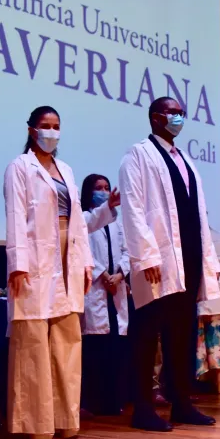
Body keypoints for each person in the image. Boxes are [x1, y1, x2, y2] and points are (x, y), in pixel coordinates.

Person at [118, 96, 220, 432]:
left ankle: (181, 403)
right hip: (156, 261)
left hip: (187, 259)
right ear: (155, 117)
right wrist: (146, 255)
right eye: (172, 113)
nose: (179, 118)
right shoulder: (138, 155)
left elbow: (197, 213)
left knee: (181, 334)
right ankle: (143, 409)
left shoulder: (185, 159)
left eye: (181, 113)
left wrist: (207, 259)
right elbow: (133, 208)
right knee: (147, 334)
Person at [4, 105, 93, 439]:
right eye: (45, 125)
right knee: (33, 339)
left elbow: (79, 219)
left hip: (68, 253)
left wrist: (85, 262)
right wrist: (18, 263)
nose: (51, 132)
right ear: (31, 130)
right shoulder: (19, 167)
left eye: (56, 126)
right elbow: (16, 215)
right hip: (35, 256)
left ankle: (65, 418)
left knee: (68, 338)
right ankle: (35, 422)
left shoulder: (65, 169)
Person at [80, 174, 130, 416]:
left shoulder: (118, 221)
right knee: (94, 349)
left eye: (106, 187)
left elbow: (127, 250)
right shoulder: (84, 220)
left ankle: (112, 401)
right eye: (98, 188)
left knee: (114, 350)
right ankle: (91, 402)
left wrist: (119, 275)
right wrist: (103, 275)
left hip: (115, 288)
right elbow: (84, 253)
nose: (103, 191)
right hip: (96, 288)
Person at [196, 226, 220, 393]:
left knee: (213, 337)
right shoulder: (217, 235)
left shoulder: (204, 237)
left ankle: (218, 377)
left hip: (213, 285)